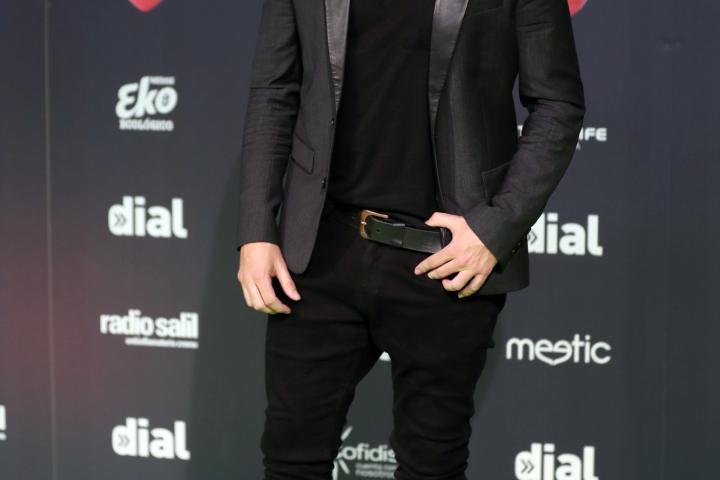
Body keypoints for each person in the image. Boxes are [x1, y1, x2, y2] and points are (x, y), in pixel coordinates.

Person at [236, 0, 584, 478]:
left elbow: (558, 103)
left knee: (431, 468)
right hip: (319, 251)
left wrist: (495, 227)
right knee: (290, 464)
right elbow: (273, 90)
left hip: (444, 258)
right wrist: (257, 230)